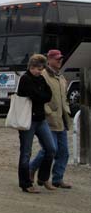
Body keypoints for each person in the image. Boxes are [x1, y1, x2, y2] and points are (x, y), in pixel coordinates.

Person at [30, 50, 73, 189]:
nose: (60, 61)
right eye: (57, 59)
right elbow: (39, 97)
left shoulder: (60, 77)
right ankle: (32, 169)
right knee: (49, 150)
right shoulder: (43, 75)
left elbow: (63, 97)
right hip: (49, 120)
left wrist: (66, 110)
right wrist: (48, 112)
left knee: (64, 152)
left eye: (60, 58)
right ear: (49, 60)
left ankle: (57, 178)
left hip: (61, 119)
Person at [17, 54, 57, 193]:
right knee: (26, 152)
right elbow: (37, 95)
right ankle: (25, 183)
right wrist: (41, 96)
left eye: (41, 69)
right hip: (28, 120)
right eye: (37, 68)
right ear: (31, 67)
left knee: (51, 148)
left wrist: (40, 96)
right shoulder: (25, 79)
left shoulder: (40, 78)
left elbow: (48, 95)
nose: (39, 71)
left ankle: (43, 178)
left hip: (40, 119)